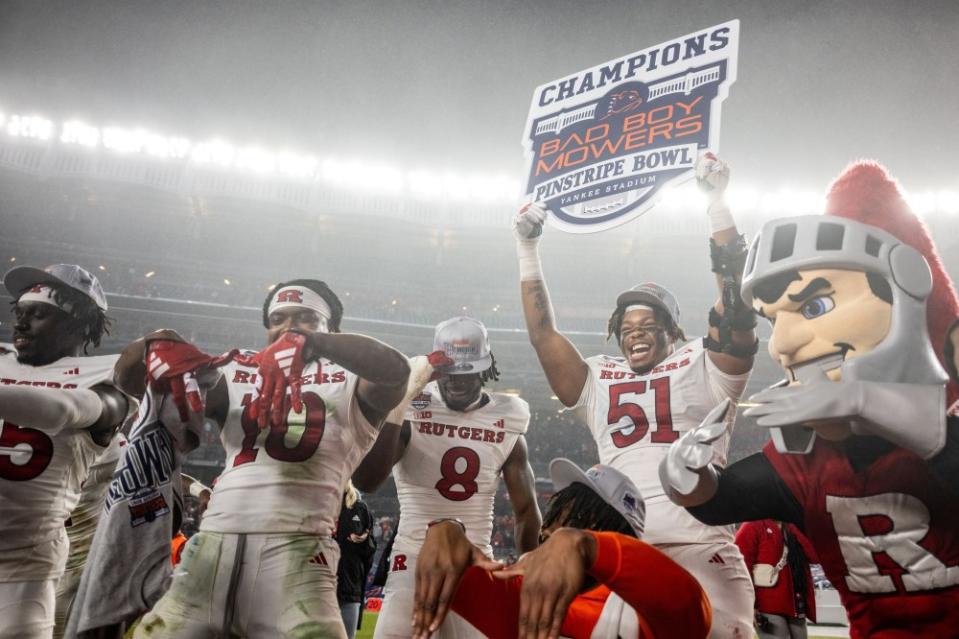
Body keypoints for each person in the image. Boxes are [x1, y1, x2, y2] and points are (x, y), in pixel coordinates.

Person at [660, 162, 959, 637]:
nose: (782, 346)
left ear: (904, 293)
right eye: (774, 321)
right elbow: (721, 499)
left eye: (816, 306)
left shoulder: (942, 431)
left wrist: (884, 407)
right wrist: (685, 475)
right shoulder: (806, 466)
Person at [513, 154, 756, 636]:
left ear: (673, 330)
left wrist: (718, 204)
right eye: (625, 328)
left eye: (648, 324)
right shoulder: (597, 378)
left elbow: (735, 306)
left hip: (698, 543)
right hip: (619, 550)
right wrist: (527, 245)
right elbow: (543, 335)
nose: (635, 334)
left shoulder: (702, 363)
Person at [118, 278, 410, 638]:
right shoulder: (237, 372)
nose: (288, 326)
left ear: (331, 328)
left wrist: (312, 343)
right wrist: (155, 342)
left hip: (298, 549)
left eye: (305, 318)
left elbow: (397, 370)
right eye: (279, 319)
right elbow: (129, 380)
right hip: (211, 546)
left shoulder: (352, 380)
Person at [354, 316, 541, 638]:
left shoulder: (508, 417)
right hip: (412, 555)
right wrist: (397, 407)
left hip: (477, 558)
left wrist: (527, 569)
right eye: (449, 372)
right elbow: (367, 481)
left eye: (466, 372)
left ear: (484, 367)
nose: (456, 381)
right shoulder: (414, 406)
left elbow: (526, 510)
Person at [411, 458, 711, 639]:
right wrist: (445, 528)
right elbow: (462, 582)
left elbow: (685, 603)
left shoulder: (644, 609)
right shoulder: (525, 591)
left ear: (612, 531)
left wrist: (588, 547)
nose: (550, 529)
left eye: (575, 518)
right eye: (555, 514)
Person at [0, 264, 131, 639]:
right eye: (19, 313)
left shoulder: (107, 380)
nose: (21, 325)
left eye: (38, 314)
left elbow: (64, 411)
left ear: (79, 324)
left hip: (22, 573)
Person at [735, 520, 816, 639]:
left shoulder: (791, 526)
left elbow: (814, 556)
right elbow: (740, 567)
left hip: (796, 604)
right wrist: (748, 606)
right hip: (766, 605)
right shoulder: (752, 525)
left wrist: (794, 526)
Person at [336, 481, 376, 639]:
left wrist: (365, 540)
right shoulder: (318, 505)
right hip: (318, 585)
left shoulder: (359, 508)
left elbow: (370, 551)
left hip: (349, 586)